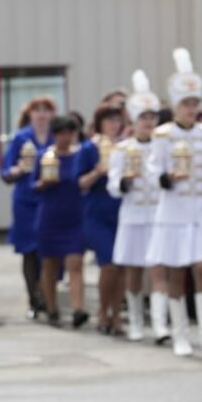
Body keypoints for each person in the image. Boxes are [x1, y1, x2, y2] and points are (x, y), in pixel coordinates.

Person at [149, 49, 202, 358]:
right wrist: (167, 178)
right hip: (175, 209)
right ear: (176, 106)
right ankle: (179, 333)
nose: (191, 109)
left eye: (194, 103)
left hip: (201, 207)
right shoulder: (162, 134)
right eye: (186, 104)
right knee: (176, 271)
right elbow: (153, 169)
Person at [110, 71, 166, 343]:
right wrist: (124, 182)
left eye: (152, 117)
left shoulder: (163, 145)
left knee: (157, 269)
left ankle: (159, 325)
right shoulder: (122, 150)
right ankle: (135, 321)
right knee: (133, 270)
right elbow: (112, 185)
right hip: (133, 215)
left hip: (157, 215)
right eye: (143, 117)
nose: (148, 122)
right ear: (134, 119)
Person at [1, 95, 56, 319]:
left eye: (46, 110)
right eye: (37, 110)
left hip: (51, 199)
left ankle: (47, 293)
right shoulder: (21, 138)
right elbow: (6, 171)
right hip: (26, 200)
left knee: (50, 250)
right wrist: (19, 169)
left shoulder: (56, 137)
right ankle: (33, 298)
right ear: (30, 114)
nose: (42, 115)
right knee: (29, 251)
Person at [33, 115, 88, 328]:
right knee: (49, 264)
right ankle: (52, 307)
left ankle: (77, 309)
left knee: (75, 262)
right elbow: (32, 185)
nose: (66, 137)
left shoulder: (79, 155)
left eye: (69, 133)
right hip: (50, 214)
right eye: (61, 133)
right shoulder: (44, 156)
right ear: (54, 135)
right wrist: (43, 183)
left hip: (74, 215)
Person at [80, 103, 126, 336]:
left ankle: (116, 313)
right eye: (109, 120)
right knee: (108, 264)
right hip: (97, 211)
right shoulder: (90, 148)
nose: (114, 124)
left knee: (121, 267)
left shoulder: (126, 148)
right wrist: (98, 171)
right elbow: (79, 183)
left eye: (117, 120)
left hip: (122, 210)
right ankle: (102, 311)